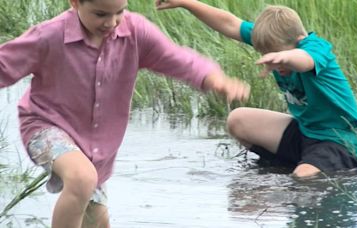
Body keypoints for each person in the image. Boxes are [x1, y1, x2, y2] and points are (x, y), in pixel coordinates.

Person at [0, 0, 250, 227]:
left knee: (97, 220)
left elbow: (177, 58)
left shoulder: (135, 33)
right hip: (45, 126)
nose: (111, 22)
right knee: (81, 178)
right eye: (100, 14)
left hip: (95, 148)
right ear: (75, 2)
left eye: (119, 12)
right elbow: (5, 64)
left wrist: (214, 79)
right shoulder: (50, 35)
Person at [156, 0, 357, 177]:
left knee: (302, 179)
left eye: (277, 57)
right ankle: (279, 168)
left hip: (338, 139)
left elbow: (306, 60)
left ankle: (313, 169)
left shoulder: (314, 47)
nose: (276, 66)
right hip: (304, 132)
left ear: (298, 41)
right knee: (237, 120)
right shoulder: (273, 40)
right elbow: (230, 24)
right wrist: (186, 2)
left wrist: (285, 58)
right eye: (267, 55)